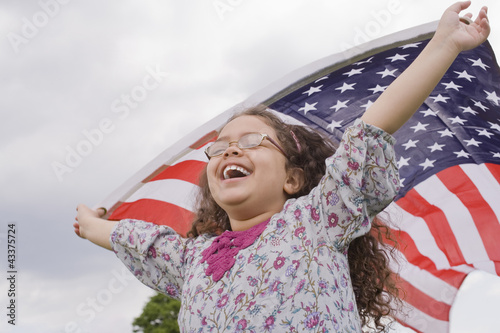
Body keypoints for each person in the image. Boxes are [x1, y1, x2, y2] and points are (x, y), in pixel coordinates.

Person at [74, 2, 490, 332]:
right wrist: (90, 225)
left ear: (292, 178)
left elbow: (374, 126)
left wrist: (444, 45)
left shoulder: (318, 220)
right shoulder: (192, 260)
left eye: (252, 142)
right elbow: (136, 239)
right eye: (219, 148)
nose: (230, 151)